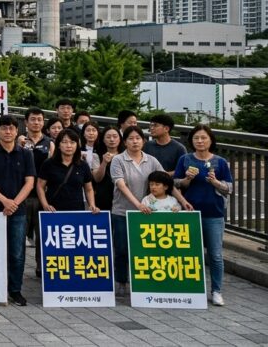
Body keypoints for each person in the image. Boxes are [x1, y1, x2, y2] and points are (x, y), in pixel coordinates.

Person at [110, 125, 192, 297]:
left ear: (144, 141)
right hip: (123, 211)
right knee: (122, 248)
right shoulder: (118, 160)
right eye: (131, 139)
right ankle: (121, 281)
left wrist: (183, 202)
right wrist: (138, 204)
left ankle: (145, 281)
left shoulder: (152, 160)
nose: (135, 142)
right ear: (124, 142)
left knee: (145, 249)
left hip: (149, 213)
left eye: (138, 138)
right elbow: (121, 185)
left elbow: (166, 182)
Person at [0, 114, 36, 307]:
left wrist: (14, 203)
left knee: (17, 253)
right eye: (4, 128)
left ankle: (15, 290)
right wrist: (4, 200)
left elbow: (30, 182)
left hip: (18, 212)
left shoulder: (26, 154)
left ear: (17, 130)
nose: (8, 131)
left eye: (11, 128)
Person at [174, 124, 232, 306]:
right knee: (190, 254)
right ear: (191, 141)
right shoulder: (185, 159)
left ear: (210, 140)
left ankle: (216, 290)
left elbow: (229, 188)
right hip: (189, 213)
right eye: (196, 138)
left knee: (215, 254)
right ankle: (190, 288)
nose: (200, 141)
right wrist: (187, 179)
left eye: (203, 138)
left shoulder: (220, 162)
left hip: (214, 213)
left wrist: (215, 182)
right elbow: (176, 184)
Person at [36, 128, 99, 213]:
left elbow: (89, 189)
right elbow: (40, 186)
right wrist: (45, 205)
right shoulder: (49, 164)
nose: (69, 146)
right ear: (58, 145)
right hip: (53, 212)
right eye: (64, 142)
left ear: (77, 145)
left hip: (77, 211)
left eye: (72, 142)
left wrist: (92, 205)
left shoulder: (83, 165)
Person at [21, 108, 53, 251]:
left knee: (43, 235)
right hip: (22, 194)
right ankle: (18, 271)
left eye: (39, 119)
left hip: (43, 195)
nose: (36, 122)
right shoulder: (19, 141)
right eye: (33, 119)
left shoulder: (49, 143)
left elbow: (53, 167)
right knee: (20, 234)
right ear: (26, 122)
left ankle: (41, 268)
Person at [90, 127, 120, 211]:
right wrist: (104, 162)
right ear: (103, 139)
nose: (112, 139)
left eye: (115, 136)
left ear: (120, 139)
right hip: (103, 197)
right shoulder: (96, 155)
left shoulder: (126, 155)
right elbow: (97, 178)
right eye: (108, 137)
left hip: (121, 196)